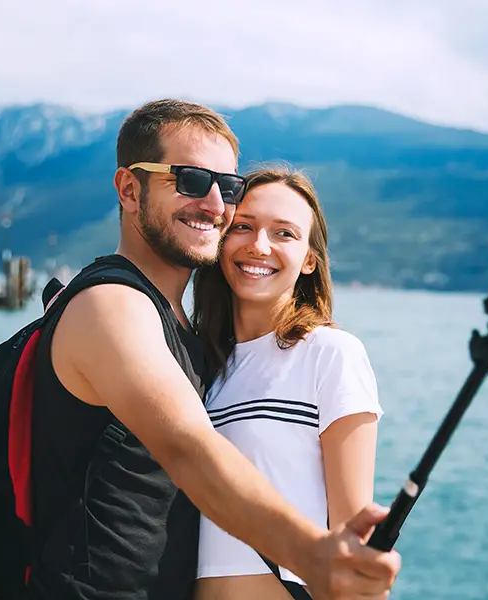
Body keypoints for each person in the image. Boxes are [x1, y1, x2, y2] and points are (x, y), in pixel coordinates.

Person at [27, 99, 401, 600]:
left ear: (310, 259)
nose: (214, 204)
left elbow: (355, 540)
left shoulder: (205, 350)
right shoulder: (113, 306)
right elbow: (190, 453)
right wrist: (312, 554)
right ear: (128, 190)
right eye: (190, 180)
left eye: (226, 188)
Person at [190, 166, 384, 600]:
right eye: (243, 226)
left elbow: (354, 539)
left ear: (309, 259)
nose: (259, 246)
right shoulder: (198, 369)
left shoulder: (330, 354)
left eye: (284, 234)